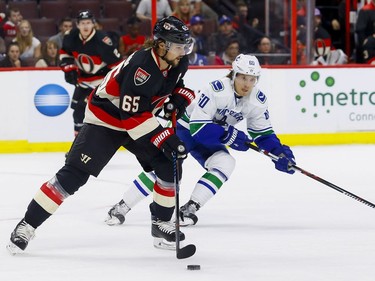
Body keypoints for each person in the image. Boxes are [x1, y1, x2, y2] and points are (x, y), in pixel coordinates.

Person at [7, 15, 195, 254]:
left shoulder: (178, 61)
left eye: (184, 45)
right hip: (106, 119)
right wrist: (164, 137)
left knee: (168, 163)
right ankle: (26, 225)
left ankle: (161, 225)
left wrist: (179, 97)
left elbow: (170, 85)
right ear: (161, 44)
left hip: (136, 117)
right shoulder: (142, 67)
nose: (183, 50)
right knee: (73, 176)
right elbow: (132, 115)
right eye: (178, 45)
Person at [105, 54, 296, 227]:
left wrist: (278, 152)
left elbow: (262, 134)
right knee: (164, 166)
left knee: (226, 163)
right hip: (186, 130)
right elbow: (199, 128)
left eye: (252, 79)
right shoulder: (216, 89)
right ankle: (123, 206)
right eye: (243, 77)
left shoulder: (257, 99)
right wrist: (229, 135)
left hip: (211, 137)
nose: (247, 84)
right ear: (234, 75)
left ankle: (190, 208)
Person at [59, 10, 122, 136]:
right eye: (82, 23)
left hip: (101, 82)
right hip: (83, 81)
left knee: (90, 111)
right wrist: (69, 68)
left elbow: (117, 65)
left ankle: (93, 144)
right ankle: (78, 145)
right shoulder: (71, 36)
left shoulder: (103, 41)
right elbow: (65, 53)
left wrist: (112, 84)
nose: (85, 26)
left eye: (88, 23)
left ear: (94, 24)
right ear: (77, 25)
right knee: (78, 113)